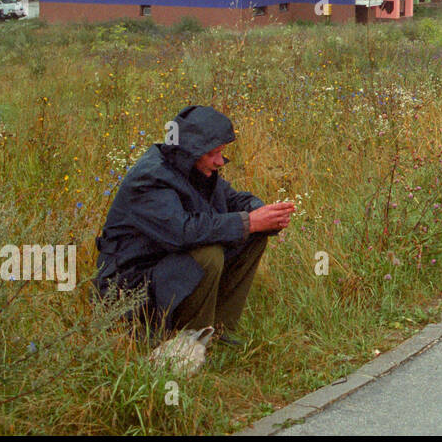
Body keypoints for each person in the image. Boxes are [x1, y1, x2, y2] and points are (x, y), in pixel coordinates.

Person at [93, 105, 295, 350]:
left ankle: (218, 332)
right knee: (208, 254)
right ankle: (189, 344)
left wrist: (263, 214)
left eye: (221, 152)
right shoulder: (150, 178)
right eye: (214, 154)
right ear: (192, 151)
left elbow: (231, 199)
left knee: (252, 235)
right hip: (129, 288)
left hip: (163, 270)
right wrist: (249, 221)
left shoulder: (191, 167)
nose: (220, 161)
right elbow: (181, 232)